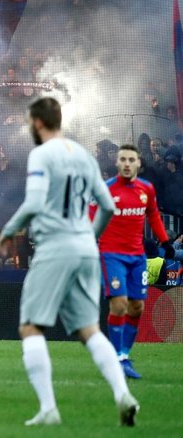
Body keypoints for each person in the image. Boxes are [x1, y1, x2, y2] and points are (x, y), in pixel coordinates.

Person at [0, 97, 138, 427]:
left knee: (31, 326)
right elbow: (107, 205)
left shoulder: (41, 154)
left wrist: (9, 230)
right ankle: (122, 394)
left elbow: (33, 202)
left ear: (37, 123)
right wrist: (90, 236)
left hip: (55, 245)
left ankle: (48, 409)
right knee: (90, 329)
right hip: (85, 248)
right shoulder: (85, 157)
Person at [95, 143, 173, 379]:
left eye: (132, 160)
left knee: (137, 307)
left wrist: (165, 242)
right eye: (123, 160)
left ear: (138, 163)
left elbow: (153, 215)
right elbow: (92, 216)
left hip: (137, 256)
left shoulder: (146, 189)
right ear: (118, 164)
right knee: (119, 304)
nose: (127, 164)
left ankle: (124, 356)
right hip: (111, 255)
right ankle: (117, 358)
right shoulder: (107, 189)